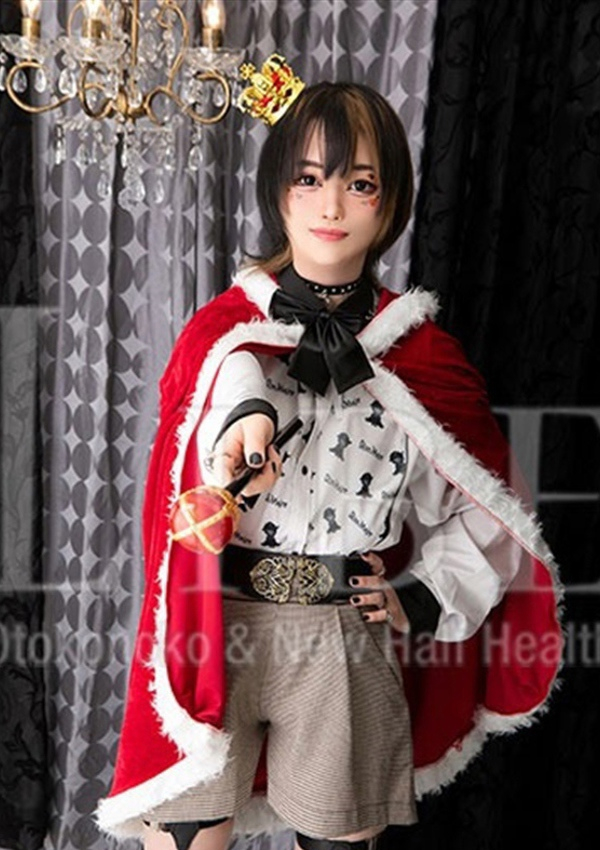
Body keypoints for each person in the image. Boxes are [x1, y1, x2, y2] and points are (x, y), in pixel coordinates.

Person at [96, 76, 563, 850]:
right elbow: (222, 393)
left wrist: (418, 596)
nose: (331, 205)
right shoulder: (225, 335)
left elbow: (489, 511)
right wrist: (245, 418)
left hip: (343, 638)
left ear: (391, 200)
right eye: (309, 179)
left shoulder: (423, 357)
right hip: (218, 626)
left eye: (360, 183)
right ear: (277, 190)